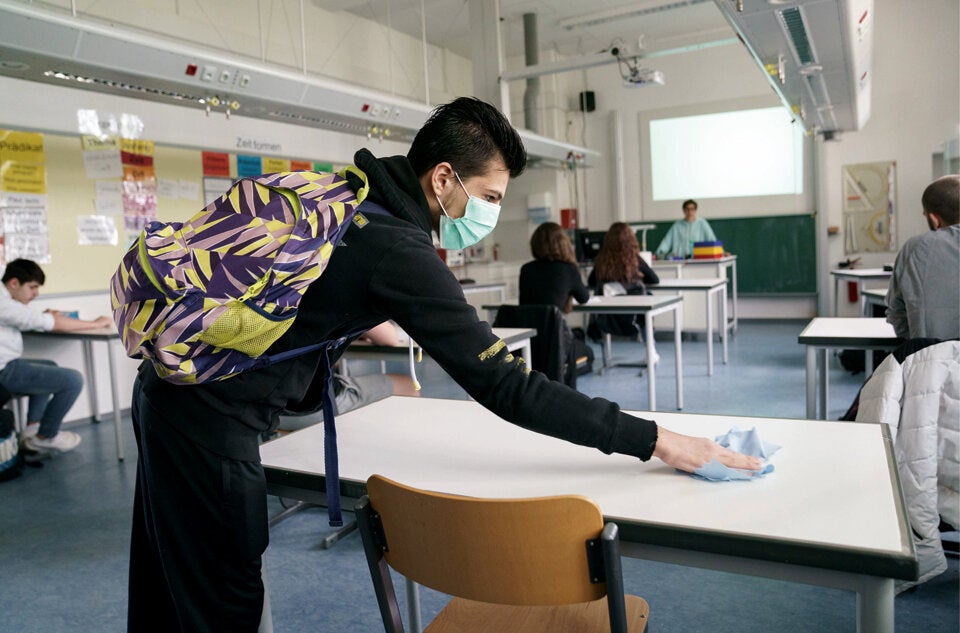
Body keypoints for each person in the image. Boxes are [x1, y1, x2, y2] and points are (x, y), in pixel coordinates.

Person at [128, 97, 761, 632]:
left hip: (167, 389)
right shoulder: (398, 249)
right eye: (486, 195)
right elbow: (507, 385)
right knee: (224, 603)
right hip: (211, 420)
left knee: (163, 588)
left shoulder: (348, 194)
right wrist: (656, 440)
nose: (486, 213)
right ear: (441, 179)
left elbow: (320, 294)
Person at [0, 258, 113, 457]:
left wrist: (46, 317)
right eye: (32, 287)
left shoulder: (7, 301)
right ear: (14, 283)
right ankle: (45, 437)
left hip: (7, 364)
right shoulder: (4, 305)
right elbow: (52, 324)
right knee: (72, 379)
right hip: (4, 370)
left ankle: (32, 430)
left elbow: (29, 318)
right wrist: (95, 324)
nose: (36, 294)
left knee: (49, 366)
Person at [277, 321, 419, 433]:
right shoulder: (327, 288)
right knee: (408, 385)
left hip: (264, 409)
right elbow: (389, 339)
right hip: (311, 410)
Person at [885, 174, 960, 341]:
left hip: (933, 361)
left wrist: (919, 346)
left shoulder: (915, 248)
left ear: (934, 219)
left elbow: (896, 312)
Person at [587, 222, 661, 362]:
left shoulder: (601, 261)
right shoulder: (635, 260)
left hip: (608, 320)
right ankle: (650, 348)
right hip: (633, 319)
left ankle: (606, 357)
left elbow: (591, 283)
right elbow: (654, 279)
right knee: (647, 298)